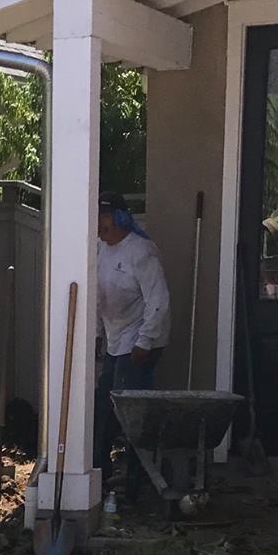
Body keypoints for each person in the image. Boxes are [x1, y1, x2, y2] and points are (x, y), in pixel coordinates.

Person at [93, 193, 171, 490]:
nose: (101, 225)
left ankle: (137, 481)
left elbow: (159, 301)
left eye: (106, 217)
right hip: (115, 339)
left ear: (121, 217)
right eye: (97, 218)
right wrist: (99, 336)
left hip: (140, 342)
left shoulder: (141, 252)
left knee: (131, 415)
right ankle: (100, 476)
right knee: (104, 408)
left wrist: (145, 341)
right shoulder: (100, 251)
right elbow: (99, 300)